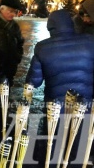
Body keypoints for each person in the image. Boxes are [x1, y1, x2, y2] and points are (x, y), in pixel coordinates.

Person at [25, 9, 94, 168]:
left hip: (54, 109)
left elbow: (33, 82)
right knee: (78, 150)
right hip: (85, 108)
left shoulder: (43, 48)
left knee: (54, 150)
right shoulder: (90, 42)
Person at [0, 0, 24, 141]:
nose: (12, 14)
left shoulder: (14, 27)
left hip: (8, 69)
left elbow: (20, 44)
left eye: (14, 12)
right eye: (10, 11)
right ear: (1, 9)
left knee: (3, 97)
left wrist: (17, 58)